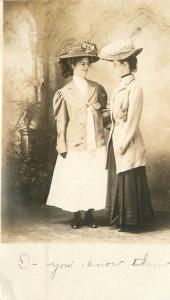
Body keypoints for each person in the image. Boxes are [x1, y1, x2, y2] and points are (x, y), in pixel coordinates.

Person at [47, 41, 108, 229]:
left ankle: (90, 214)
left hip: (95, 141)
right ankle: (76, 215)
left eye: (88, 63)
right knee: (76, 178)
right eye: (82, 63)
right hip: (76, 142)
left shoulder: (97, 88)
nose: (86, 66)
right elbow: (61, 122)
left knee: (92, 176)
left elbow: (105, 115)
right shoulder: (64, 93)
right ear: (72, 64)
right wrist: (62, 144)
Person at [99, 39, 155, 232]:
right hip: (117, 137)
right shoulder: (120, 86)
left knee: (128, 175)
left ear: (125, 63)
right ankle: (120, 218)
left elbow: (133, 119)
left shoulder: (135, 87)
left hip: (128, 140)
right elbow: (115, 113)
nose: (113, 69)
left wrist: (123, 142)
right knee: (120, 176)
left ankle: (131, 220)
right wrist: (106, 112)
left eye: (115, 65)